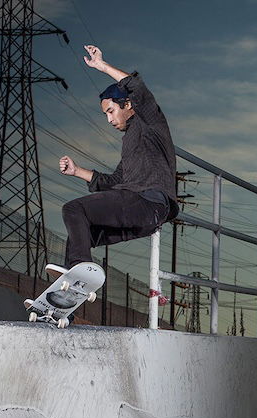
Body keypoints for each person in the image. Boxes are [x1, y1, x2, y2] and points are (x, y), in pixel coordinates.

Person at [57, 45, 178, 271]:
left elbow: (137, 87)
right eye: (106, 115)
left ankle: (81, 273)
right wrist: (77, 171)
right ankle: (69, 295)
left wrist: (102, 66)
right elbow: (115, 181)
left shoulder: (150, 122)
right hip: (141, 215)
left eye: (111, 112)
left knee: (74, 209)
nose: (109, 120)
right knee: (79, 235)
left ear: (128, 105)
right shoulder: (131, 141)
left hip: (149, 202)